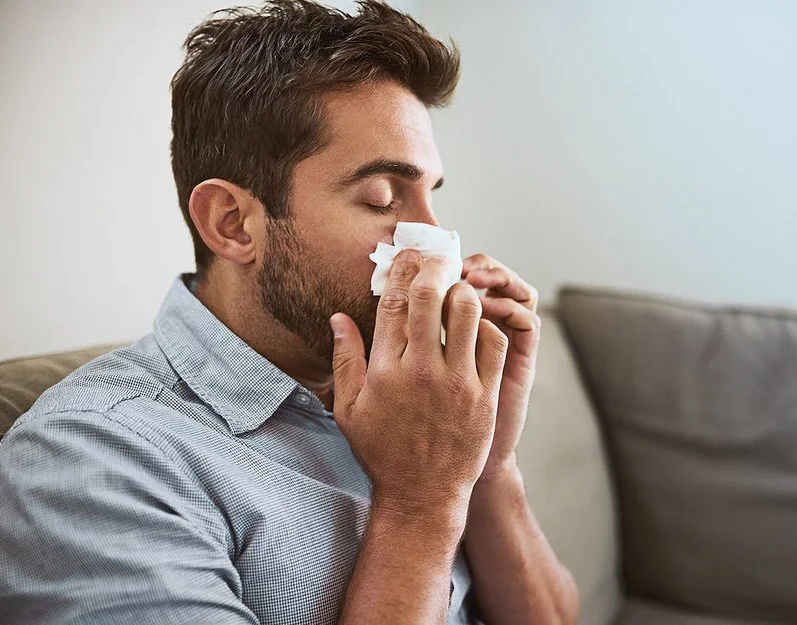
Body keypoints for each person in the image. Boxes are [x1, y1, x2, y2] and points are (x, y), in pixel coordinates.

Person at [0, 2, 579, 623]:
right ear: (233, 224)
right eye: (382, 198)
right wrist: (420, 503)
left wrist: (486, 462)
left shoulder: (416, 396)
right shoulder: (93, 457)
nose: (438, 243)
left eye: (429, 198)